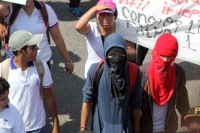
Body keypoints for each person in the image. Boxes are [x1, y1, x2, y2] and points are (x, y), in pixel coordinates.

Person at [80, 33, 142, 133]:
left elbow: (136, 103)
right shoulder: (94, 70)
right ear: (105, 54)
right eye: (112, 54)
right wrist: (82, 129)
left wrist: (137, 129)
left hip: (124, 127)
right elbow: (87, 100)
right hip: (100, 127)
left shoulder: (133, 71)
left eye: (121, 54)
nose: (117, 58)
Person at [0, 30, 59, 133]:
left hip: (37, 127)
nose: (37, 50)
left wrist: (56, 124)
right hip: (12, 128)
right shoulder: (3, 69)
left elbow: (49, 96)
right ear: (21, 51)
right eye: (33, 48)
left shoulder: (41, 66)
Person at [0, 0, 74, 73]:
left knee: (44, 85)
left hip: (41, 61)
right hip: (16, 62)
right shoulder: (12, 8)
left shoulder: (46, 10)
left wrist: (68, 61)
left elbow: (57, 37)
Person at [140, 33, 190, 133]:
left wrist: (188, 119)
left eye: (170, 57)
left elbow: (182, 99)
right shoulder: (142, 72)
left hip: (168, 128)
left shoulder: (178, 72)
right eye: (162, 56)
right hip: (144, 128)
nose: (166, 60)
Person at [75, 0, 137, 78]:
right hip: (94, 73)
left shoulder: (122, 29)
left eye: (109, 15)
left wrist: (118, 50)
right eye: (101, 14)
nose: (105, 18)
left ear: (115, 15)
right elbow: (78, 27)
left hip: (116, 73)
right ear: (96, 15)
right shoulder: (91, 28)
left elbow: (132, 55)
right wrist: (95, 8)